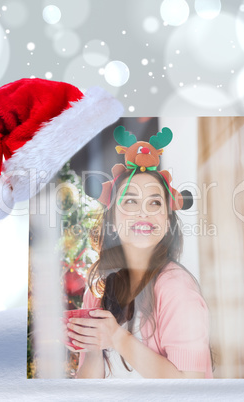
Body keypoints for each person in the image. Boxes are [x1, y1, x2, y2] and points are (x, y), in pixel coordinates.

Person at [65, 126, 214, 378]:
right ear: (112, 219)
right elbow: (90, 383)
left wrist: (115, 337)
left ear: (167, 219)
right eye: (130, 200)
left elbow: (192, 387)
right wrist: (90, 343)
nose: (144, 211)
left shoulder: (176, 289)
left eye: (155, 202)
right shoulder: (98, 290)